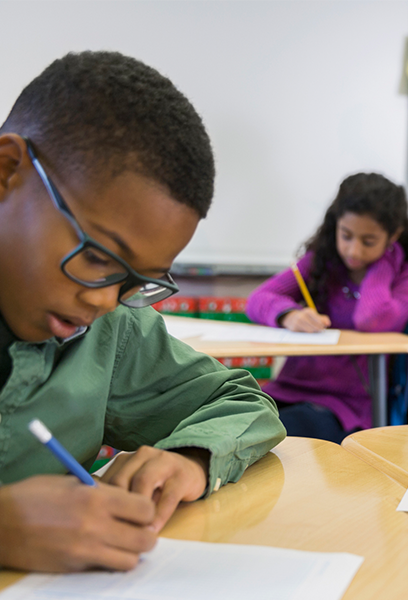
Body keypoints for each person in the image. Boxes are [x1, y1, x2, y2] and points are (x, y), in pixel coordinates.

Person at [0, 51, 286, 573]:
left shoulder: (108, 331)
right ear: (7, 171)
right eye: (95, 257)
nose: (106, 300)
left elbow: (242, 402)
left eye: (137, 281)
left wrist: (190, 458)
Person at [246, 173, 408, 442]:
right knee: (237, 420)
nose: (354, 251)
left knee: (274, 434)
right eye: (346, 235)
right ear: (335, 225)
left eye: (368, 241)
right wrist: (288, 314)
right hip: (288, 391)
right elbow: (257, 300)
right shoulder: (321, 262)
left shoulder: (407, 280)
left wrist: (384, 263)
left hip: (348, 406)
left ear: (393, 236)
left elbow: (370, 319)